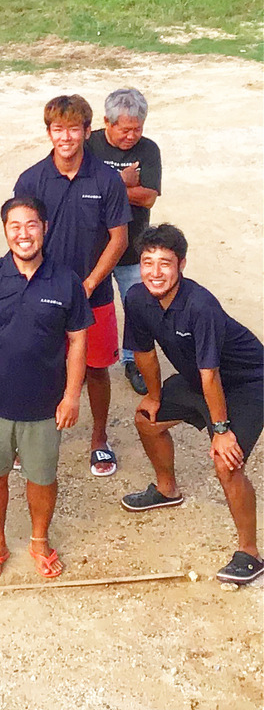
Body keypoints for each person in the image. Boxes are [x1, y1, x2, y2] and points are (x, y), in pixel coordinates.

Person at [0, 197, 92, 581]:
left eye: (31, 224)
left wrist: (72, 395)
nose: (23, 234)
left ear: (44, 228)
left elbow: (78, 341)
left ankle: (39, 540)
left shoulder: (66, 281)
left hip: (45, 404)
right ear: (5, 230)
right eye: (14, 226)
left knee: (42, 477)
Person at [120, 224, 264, 585]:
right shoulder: (137, 298)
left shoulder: (200, 305)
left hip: (248, 383)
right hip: (199, 380)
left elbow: (210, 374)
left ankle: (250, 553)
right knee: (146, 419)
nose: (155, 272)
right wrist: (154, 396)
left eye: (165, 263)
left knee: (226, 462)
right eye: (147, 262)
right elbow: (143, 352)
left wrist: (221, 430)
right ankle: (166, 489)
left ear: (181, 265)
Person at [13, 95, 130, 477]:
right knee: (40, 365)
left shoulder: (106, 179)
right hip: (42, 291)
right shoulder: (31, 180)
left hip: (93, 294)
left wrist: (90, 282)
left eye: (74, 129)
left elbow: (119, 239)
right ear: (49, 132)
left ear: (87, 131)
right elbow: (21, 236)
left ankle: (99, 438)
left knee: (96, 369)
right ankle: (34, 435)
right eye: (58, 129)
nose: (66, 137)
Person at [87, 88, 162, 396]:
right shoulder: (88, 143)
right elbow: (77, 187)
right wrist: (120, 181)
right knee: (88, 304)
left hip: (133, 246)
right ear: (107, 122)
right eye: (125, 129)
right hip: (93, 247)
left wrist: (102, 187)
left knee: (137, 306)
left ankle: (133, 360)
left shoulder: (149, 149)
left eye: (138, 129)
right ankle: (85, 359)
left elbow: (148, 197)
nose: (132, 136)